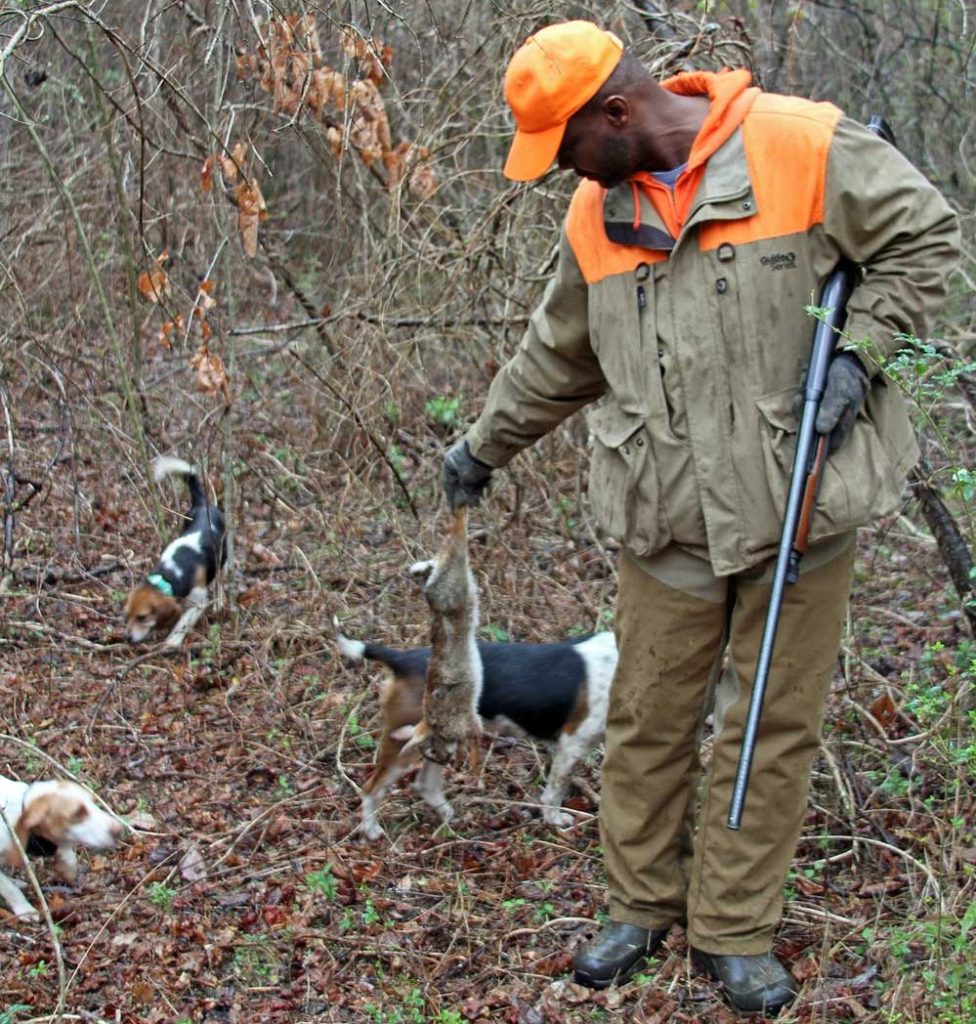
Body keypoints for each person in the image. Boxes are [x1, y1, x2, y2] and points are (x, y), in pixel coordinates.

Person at [441, 19, 959, 1017]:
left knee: (768, 723)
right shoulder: (596, 216)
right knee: (646, 720)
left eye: (565, 148)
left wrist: (861, 355)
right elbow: (559, 355)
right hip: (665, 511)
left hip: (795, 501)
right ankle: (639, 906)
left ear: (616, 113)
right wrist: (482, 447)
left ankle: (733, 928)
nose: (562, 172)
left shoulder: (802, 143)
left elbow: (924, 238)